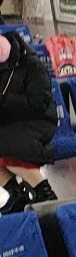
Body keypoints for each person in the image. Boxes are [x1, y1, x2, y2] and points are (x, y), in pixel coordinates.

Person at [0, 32, 59, 215]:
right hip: (10, 124)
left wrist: (4, 102)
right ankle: (15, 194)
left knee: (7, 144)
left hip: (38, 122)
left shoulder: (32, 65)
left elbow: (38, 104)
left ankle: (44, 191)